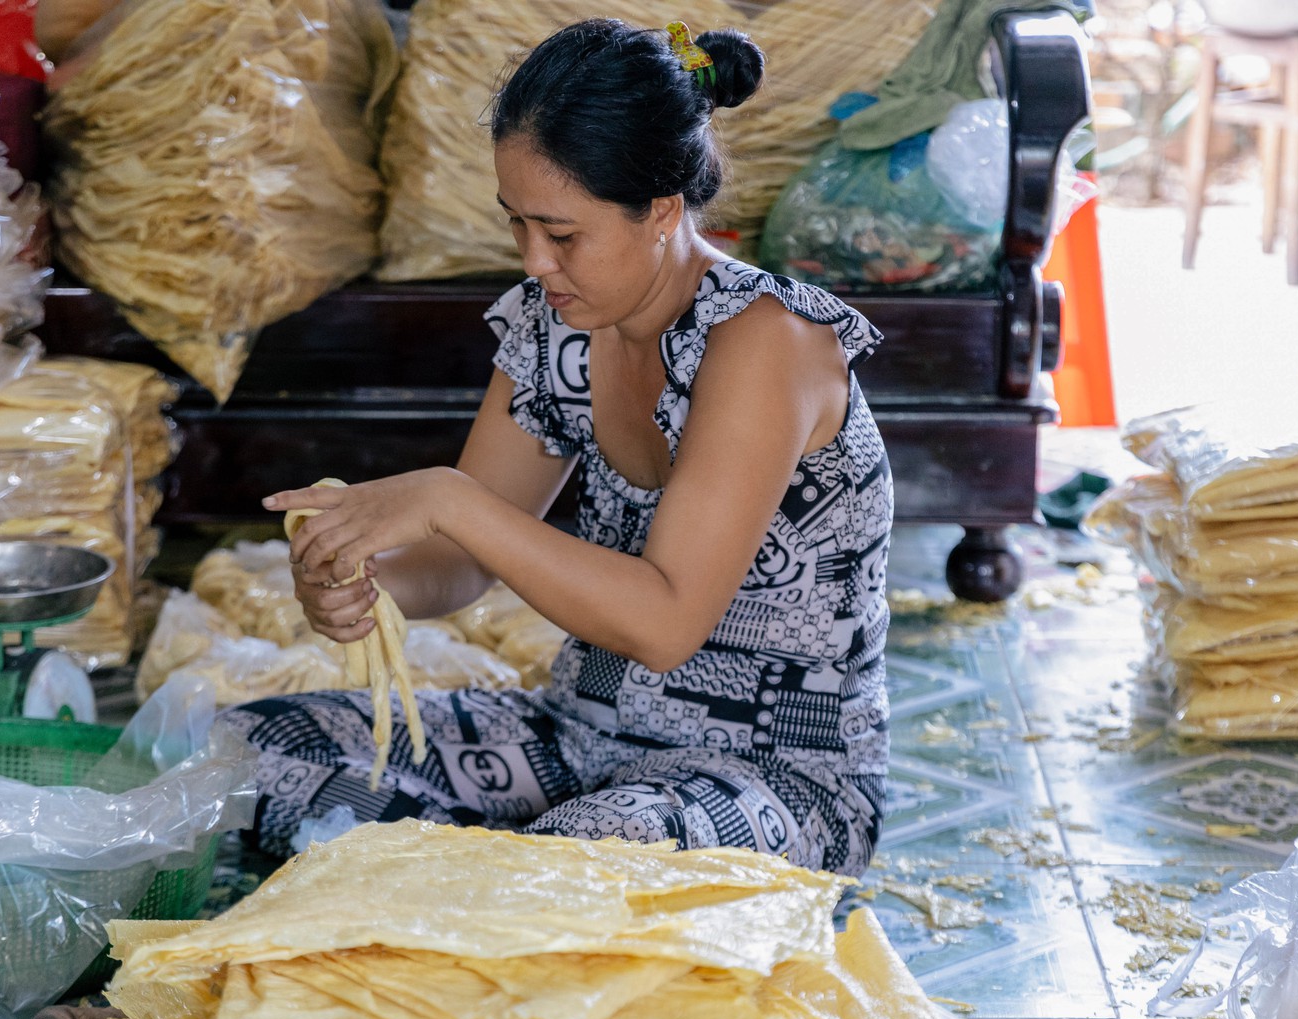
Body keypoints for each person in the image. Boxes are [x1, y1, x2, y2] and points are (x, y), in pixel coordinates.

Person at [224, 17, 893, 876]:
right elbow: (458, 565)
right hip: (585, 740)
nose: (535, 261)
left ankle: (448, 900)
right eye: (517, 226)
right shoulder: (558, 330)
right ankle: (448, 905)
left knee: (572, 866)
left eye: (563, 233)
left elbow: (663, 622)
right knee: (251, 749)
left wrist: (444, 498)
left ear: (660, 210)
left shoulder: (766, 341)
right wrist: (362, 580)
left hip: (773, 782)